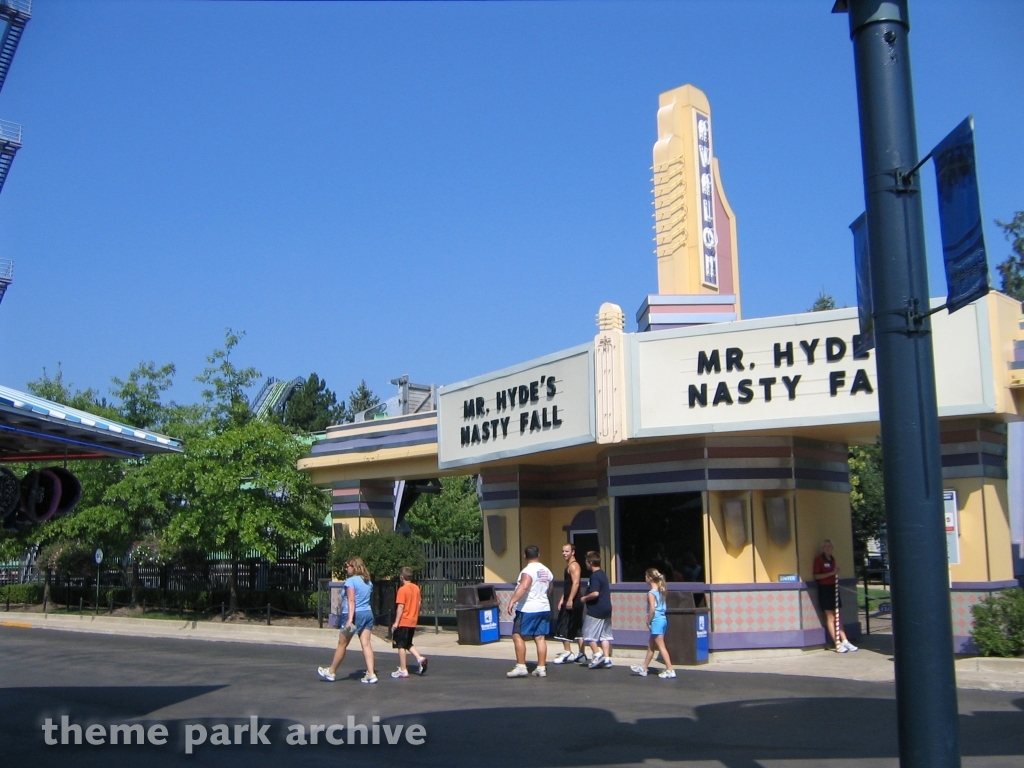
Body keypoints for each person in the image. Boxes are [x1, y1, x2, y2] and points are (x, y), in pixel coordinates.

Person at [317, 557, 378, 683]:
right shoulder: (368, 582)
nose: (346, 568)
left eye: (348, 566)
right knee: (366, 644)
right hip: (367, 614)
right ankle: (371, 673)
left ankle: (331, 671)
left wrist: (350, 619)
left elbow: (351, 600)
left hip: (353, 615)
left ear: (354, 566)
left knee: (342, 644)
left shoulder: (351, 581)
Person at [506, 544, 554, 678]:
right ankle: (541, 667)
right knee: (540, 637)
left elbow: (524, 586)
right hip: (544, 607)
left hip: (528, 608)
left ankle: (521, 666)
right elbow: (550, 589)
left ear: (525, 556)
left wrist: (512, 601)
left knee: (517, 634)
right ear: (539, 555)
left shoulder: (527, 571)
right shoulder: (547, 571)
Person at [813, 539, 858, 653]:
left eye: (829, 546)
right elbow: (817, 576)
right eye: (825, 546)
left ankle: (845, 640)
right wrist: (830, 573)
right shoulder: (819, 560)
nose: (827, 548)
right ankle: (836, 643)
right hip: (825, 589)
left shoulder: (832, 559)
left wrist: (836, 572)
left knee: (838, 616)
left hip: (834, 588)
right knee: (830, 617)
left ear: (832, 548)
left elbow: (833, 572)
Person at [630, 568, 676, 679]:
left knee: (661, 646)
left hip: (656, 620)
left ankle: (670, 669)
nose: (645, 578)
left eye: (646, 576)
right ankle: (644, 667)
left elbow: (652, 610)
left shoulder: (651, 593)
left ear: (650, 578)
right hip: (663, 619)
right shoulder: (661, 591)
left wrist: (648, 620)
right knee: (651, 645)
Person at [552, 542, 586, 664]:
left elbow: (576, 583)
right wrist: (563, 598)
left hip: (574, 601)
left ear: (573, 552)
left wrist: (570, 599)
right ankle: (581, 654)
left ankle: (568, 652)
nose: (564, 553)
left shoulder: (574, 566)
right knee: (576, 628)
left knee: (564, 625)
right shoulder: (569, 566)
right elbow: (568, 585)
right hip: (569, 598)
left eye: (567, 551)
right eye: (563, 551)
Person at [390, 566, 428, 678]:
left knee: (400, 645)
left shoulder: (402, 590)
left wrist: (396, 622)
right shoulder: (416, 588)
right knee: (408, 643)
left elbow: (400, 607)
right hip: (412, 620)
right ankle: (419, 658)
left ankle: (403, 669)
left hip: (404, 621)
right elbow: (419, 603)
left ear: (402, 577)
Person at [579, 551, 614, 668]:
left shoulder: (594, 576)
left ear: (590, 562)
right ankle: (607, 659)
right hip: (607, 608)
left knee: (588, 634)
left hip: (596, 609)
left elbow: (595, 593)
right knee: (605, 635)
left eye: (586, 562)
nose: (586, 564)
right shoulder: (603, 574)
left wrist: (584, 598)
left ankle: (597, 654)